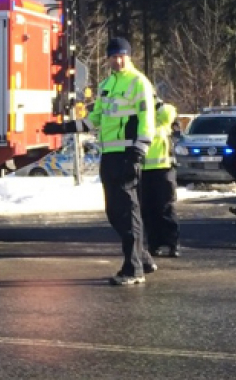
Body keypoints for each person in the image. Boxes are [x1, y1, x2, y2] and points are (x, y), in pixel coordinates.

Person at [43, 36, 157, 286]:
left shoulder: (138, 82)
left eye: (122, 55)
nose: (117, 60)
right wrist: (63, 128)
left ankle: (133, 269)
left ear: (129, 56)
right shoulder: (107, 84)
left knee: (128, 212)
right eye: (113, 55)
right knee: (115, 212)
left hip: (128, 154)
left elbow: (147, 118)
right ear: (107, 58)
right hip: (110, 155)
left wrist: (140, 149)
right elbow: (94, 119)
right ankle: (143, 257)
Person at [142, 99, 181, 258]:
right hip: (144, 172)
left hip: (164, 170)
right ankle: (154, 244)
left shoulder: (162, 120)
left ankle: (173, 244)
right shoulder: (141, 122)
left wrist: (156, 103)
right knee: (148, 210)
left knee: (166, 208)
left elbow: (169, 111)